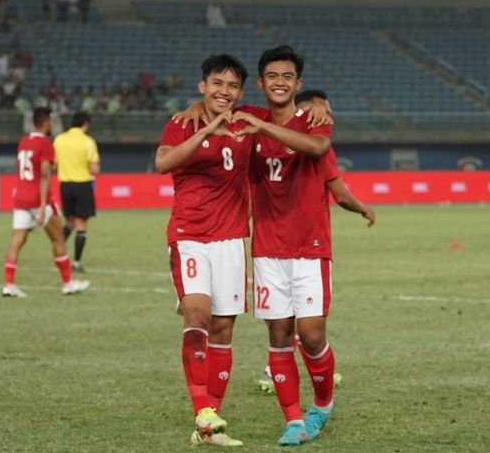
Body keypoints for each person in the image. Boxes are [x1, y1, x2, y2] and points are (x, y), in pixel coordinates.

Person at [229, 45, 339, 446]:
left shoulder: (313, 119)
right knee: (278, 336)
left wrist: (265, 128)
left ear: (298, 84)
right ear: (260, 83)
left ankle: (323, 404)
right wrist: (193, 106)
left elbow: (317, 148)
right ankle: (293, 419)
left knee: (310, 335)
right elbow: (215, 101)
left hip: (310, 247)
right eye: (272, 76)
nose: (279, 82)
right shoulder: (250, 116)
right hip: (268, 250)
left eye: (287, 76)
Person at [155, 54, 252, 448]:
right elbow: (163, 163)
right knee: (197, 314)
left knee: (224, 328)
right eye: (216, 83)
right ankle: (203, 409)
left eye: (231, 86)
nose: (223, 91)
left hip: (230, 238)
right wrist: (207, 126)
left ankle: (208, 425)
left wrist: (316, 105)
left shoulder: (249, 123)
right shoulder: (183, 122)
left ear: (240, 92)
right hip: (190, 234)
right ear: (202, 86)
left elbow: (284, 111)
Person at [256, 89, 375, 396]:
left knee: (288, 321)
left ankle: (275, 371)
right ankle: (308, 381)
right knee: (306, 323)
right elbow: (340, 193)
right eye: (324, 110)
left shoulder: (269, 136)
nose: (328, 117)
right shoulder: (317, 146)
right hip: (305, 244)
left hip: (273, 245)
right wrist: (362, 208)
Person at [2, 107, 90, 298]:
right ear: (44, 122)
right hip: (39, 199)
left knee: (16, 240)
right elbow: (44, 176)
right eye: (50, 120)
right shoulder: (45, 144)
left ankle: (9, 284)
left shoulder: (24, 142)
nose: (52, 124)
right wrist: (43, 206)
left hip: (21, 198)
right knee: (58, 239)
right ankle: (68, 283)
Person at [53, 111, 100, 272]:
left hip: (65, 185)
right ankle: (76, 263)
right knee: (81, 225)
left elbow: (54, 164)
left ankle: (57, 255)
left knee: (69, 221)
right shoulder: (88, 141)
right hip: (82, 185)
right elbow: (95, 168)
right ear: (85, 124)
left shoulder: (59, 139)